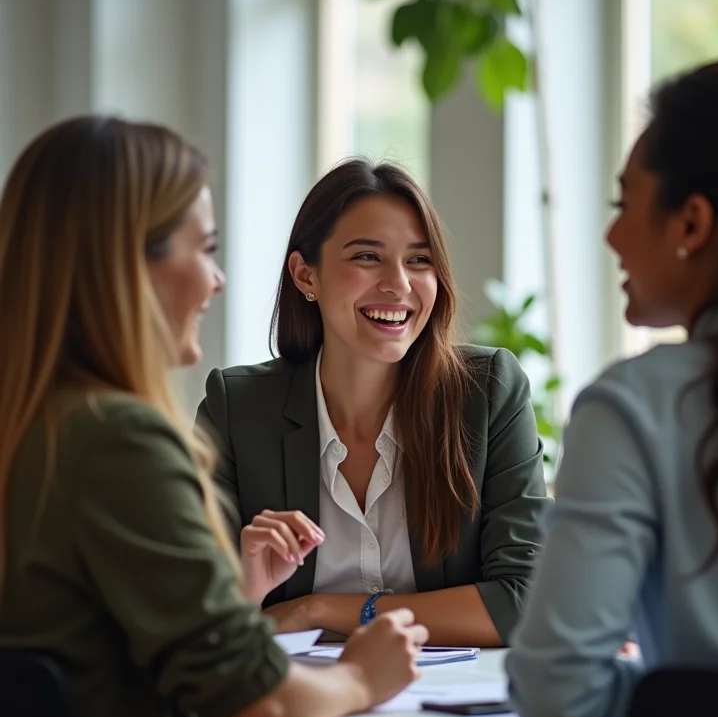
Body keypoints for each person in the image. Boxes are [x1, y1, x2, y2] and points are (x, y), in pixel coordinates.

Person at [0, 117, 428, 717]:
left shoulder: (36, 426)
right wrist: (364, 678)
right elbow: (254, 701)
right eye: (203, 249)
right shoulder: (118, 439)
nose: (216, 280)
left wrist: (236, 592)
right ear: (126, 264)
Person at [507, 59, 718, 717]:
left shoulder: (636, 408)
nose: (611, 237)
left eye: (623, 205)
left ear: (692, 224)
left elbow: (559, 690)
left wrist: (677, 696)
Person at [196, 158, 550, 648]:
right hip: (294, 704)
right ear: (306, 276)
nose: (399, 285)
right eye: (367, 257)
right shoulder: (237, 409)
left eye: (419, 260)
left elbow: (526, 601)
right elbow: (194, 616)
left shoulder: (486, 392)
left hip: (450, 714)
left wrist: (317, 610)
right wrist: (246, 584)